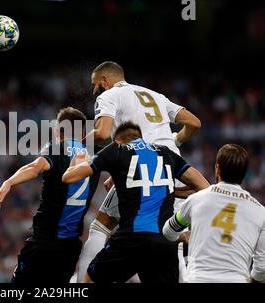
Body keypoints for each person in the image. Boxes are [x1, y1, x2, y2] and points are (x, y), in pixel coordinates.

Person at [77, 61, 201, 282]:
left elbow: (103, 132)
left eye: (96, 84)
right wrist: (175, 140)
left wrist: (78, 145)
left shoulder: (108, 96)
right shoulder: (155, 95)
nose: (95, 90)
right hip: (173, 168)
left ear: (106, 79)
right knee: (172, 241)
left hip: (141, 168)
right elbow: (194, 122)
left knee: (100, 227)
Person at [62, 121, 209, 283]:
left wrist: (76, 161)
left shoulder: (116, 150)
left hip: (131, 239)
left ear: (117, 141)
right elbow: (204, 187)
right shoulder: (166, 153)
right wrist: (171, 192)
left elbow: (69, 177)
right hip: (164, 243)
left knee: (89, 280)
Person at [0, 107, 101, 283]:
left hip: (44, 242)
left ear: (57, 131)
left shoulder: (56, 149)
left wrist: (9, 182)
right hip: (70, 247)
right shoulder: (97, 155)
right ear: (82, 133)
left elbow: (35, 168)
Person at [163, 144, 265, 283]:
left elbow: (168, 231)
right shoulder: (260, 211)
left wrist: (185, 236)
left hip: (198, 279)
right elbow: (261, 267)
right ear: (244, 174)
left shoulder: (197, 199)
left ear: (217, 169)